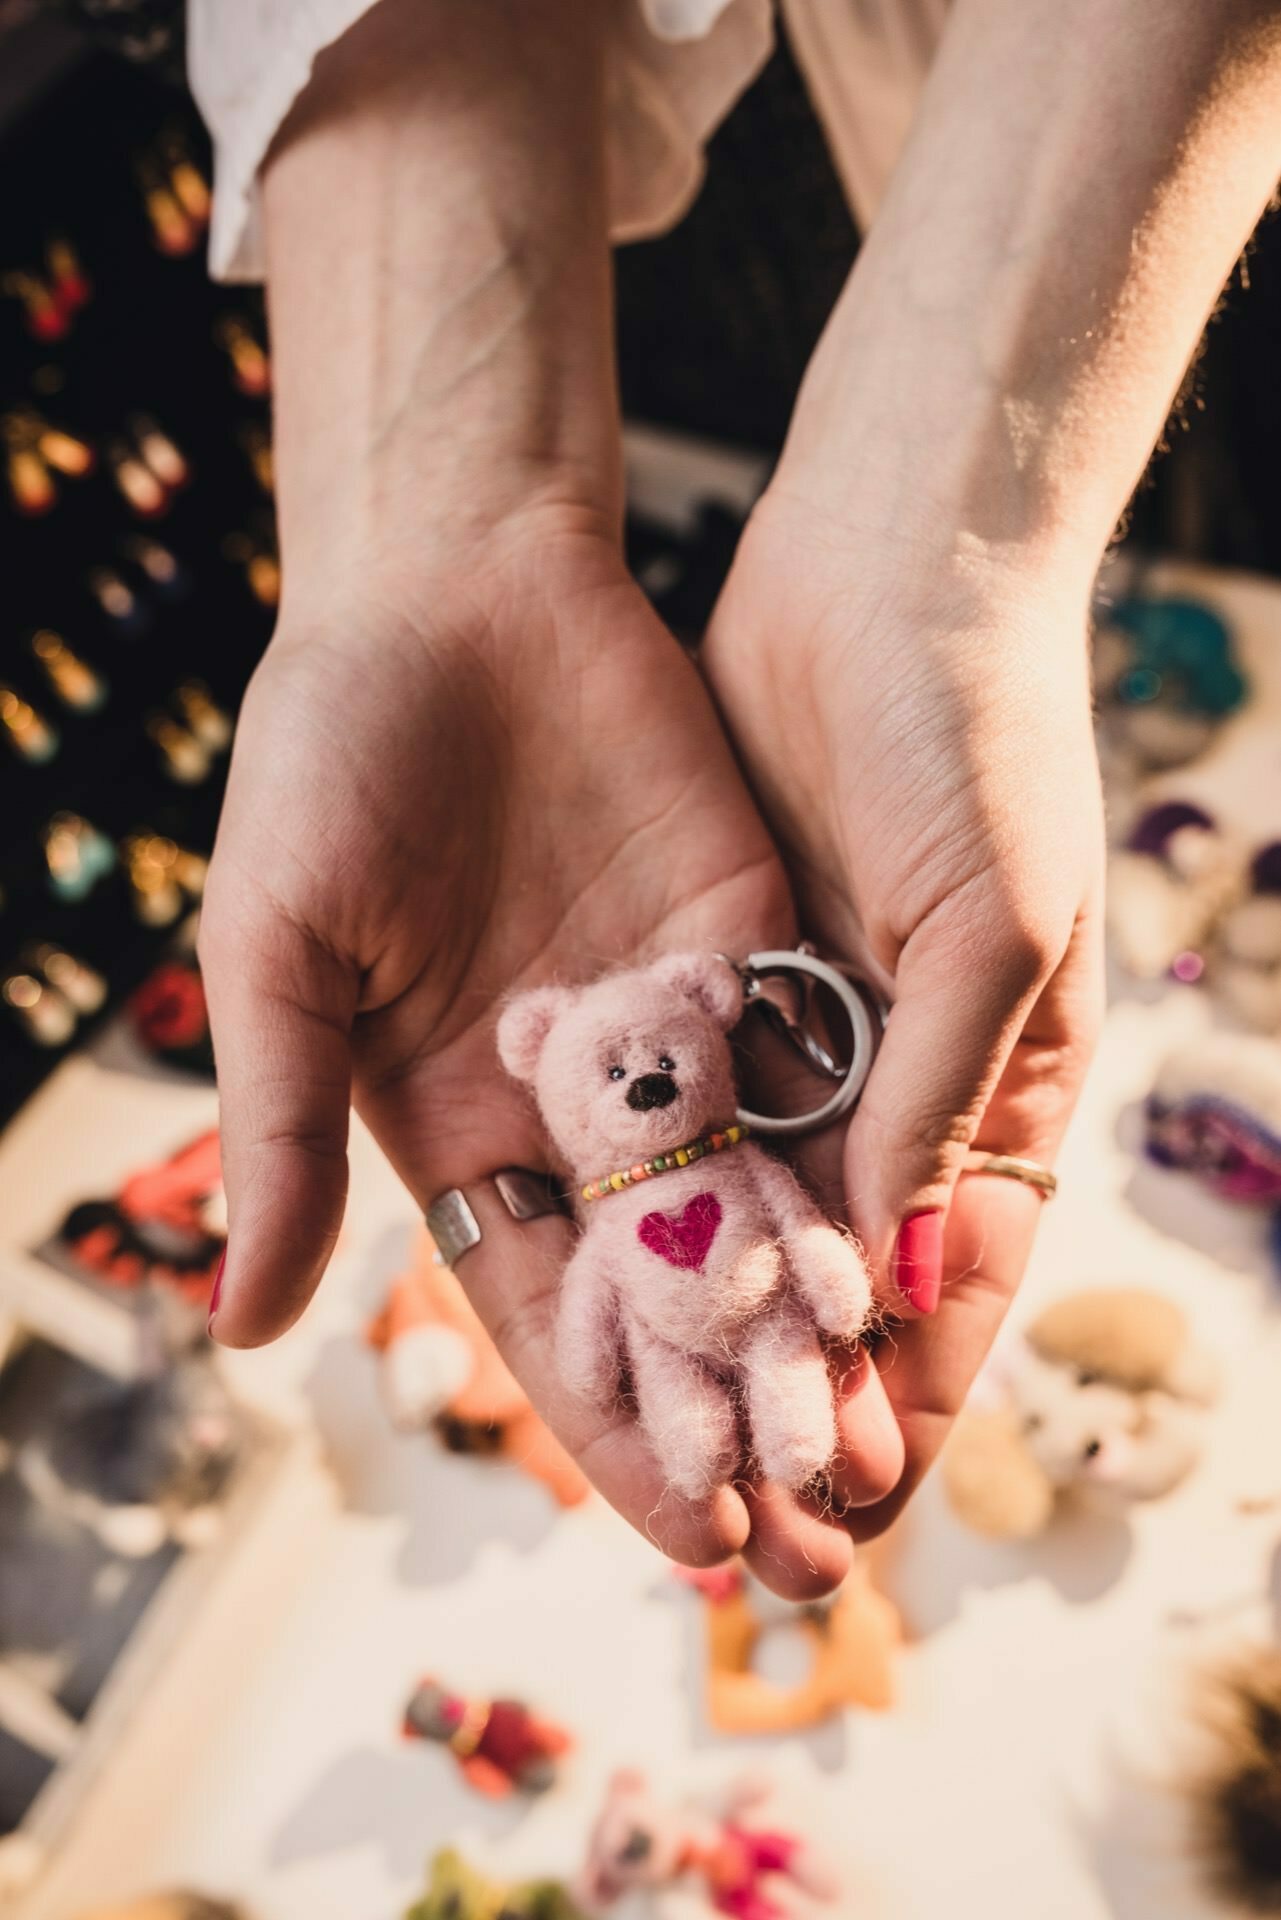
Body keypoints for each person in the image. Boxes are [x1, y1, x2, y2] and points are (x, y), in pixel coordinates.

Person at [183, 0, 1281, 1598]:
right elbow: (595, 1309)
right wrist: (430, 544)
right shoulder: (636, 1170)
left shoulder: (724, 1136)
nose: (632, 1081)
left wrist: (954, 558)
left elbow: (806, 1246)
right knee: (713, 1415)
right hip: (608, 230)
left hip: (1132, 168)